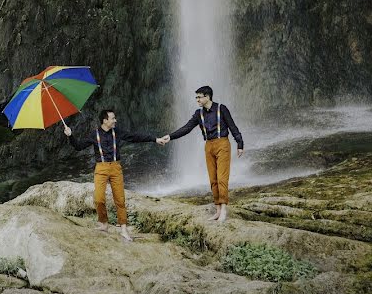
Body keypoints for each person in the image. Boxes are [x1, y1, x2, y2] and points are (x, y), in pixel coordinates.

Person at [65, 109, 164, 241]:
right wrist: (70, 135)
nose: (115, 120)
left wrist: (155, 139)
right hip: (101, 168)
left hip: (116, 168)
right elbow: (78, 146)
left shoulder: (117, 132)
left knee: (120, 200)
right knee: (99, 199)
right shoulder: (94, 134)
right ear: (105, 120)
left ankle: (123, 229)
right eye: (113, 118)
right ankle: (104, 223)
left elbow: (135, 137)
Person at [157, 86, 244, 222]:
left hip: (222, 144)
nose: (197, 99)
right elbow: (186, 128)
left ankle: (224, 209)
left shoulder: (222, 108)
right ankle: (217, 210)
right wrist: (170, 136)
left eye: (199, 97)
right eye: (196, 97)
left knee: (222, 178)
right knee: (213, 179)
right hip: (208, 145)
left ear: (207, 97)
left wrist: (240, 144)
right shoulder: (199, 114)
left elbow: (233, 126)